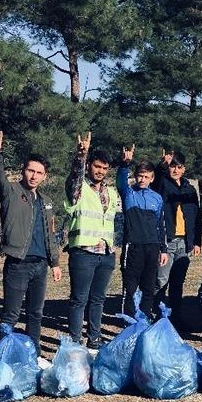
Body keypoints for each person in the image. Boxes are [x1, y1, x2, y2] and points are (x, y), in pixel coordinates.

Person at [0, 131, 61, 363]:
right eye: (31, 170)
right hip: (17, 264)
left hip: (40, 266)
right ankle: (2, 356)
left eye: (39, 173)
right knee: (11, 315)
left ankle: (33, 355)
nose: (34, 176)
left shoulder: (46, 201)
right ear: (23, 170)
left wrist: (55, 262)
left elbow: (51, 233)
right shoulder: (11, 192)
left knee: (36, 314)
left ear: (44, 176)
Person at [64, 133, 119, 349]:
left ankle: (94, 338)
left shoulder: (111, 192)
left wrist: (113, 250)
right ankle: (75, 341)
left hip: (105, 254)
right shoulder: (79, 189)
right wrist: (80, 156)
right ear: (89, 167)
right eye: (96, 166)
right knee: (79, 300)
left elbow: (116, 221)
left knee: (98, 300)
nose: (100, 171)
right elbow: (74, 178)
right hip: (83, 253)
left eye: (104, 168)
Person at [116, 147, 168, 319]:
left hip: (152, 247)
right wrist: (125, 164)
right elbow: (120, 182)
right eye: (140, 175)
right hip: (133, 246)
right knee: (130, 287)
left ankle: (144, 319)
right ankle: (129, 320)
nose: (142, 179)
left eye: (146, 176)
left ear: (152, 179)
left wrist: (164, 249)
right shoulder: (128, 193)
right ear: (135, 176)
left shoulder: (157, 198)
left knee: (148, 287)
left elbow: (160, 225)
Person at [153, 150, 202, 328]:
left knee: (177, 282)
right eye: (172, 166)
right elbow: (157, 180)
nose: (175, 170)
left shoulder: (189, 189)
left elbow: (197, 216)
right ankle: (157, 315)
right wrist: (161, 166)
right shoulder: (162, 184)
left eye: (179, 167)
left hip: (184, 242)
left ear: (184, 169)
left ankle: (175, 317)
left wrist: (197, 241)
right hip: (167, 241)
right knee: (161, 280)